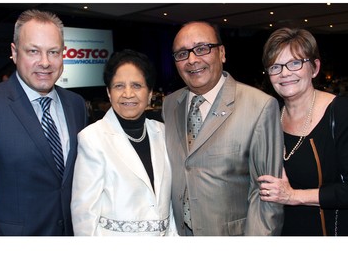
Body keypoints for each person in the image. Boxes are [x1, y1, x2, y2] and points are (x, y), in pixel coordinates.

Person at [162, 21, 284, 236]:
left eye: (201, 49)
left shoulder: (259, 106)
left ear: (222, 53)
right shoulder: (170, 104)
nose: (192, 60)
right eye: (182, 54)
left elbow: (266, 197)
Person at [0, 9, 88, 235]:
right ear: (15, 53)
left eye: (53, 52)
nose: (45, 62)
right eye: (33, 51)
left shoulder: (76, 104)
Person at [71, 49, 178, 236]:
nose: (128, 94)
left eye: (137, 85)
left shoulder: (162, 132)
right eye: (119, 86)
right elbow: (83, 215)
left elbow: (169, 204)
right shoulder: (93, 138)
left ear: (150, 92)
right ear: (109, 93)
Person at [259, 27, 348, 236]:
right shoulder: (269, 117)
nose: (285, 73)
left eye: (295, 63)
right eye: (275, 66)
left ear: (315, 68)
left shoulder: (340, 111)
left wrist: (293, 196)